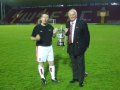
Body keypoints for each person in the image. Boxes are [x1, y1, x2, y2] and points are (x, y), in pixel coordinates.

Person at [31, 13, 58, 85]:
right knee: (41, 63)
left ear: (48, 19)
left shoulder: (50, 26)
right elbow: (31, 37)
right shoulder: (37, 27)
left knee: (51, 63)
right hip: (41, 48)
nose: (45, 19)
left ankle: (53, 78)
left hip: (49, 47)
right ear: (41, 18)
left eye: (47, 17)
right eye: (44, 17)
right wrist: (36, 38)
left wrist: (54, 33)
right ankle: (43, 78)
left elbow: (53, 36)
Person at [65, 9, 90, 87]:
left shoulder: (82, 23)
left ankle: (81, 80)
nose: (72, 16)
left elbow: (87, 35)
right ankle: (75, 78)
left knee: (80, 64)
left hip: (79, 47)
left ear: (76, 15)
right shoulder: (67, 23)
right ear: (68, 15)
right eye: (70, 14)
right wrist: (66, 33)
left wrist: (86, 46)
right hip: (71, 46)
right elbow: (69, 34)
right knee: (73, 63)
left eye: (73, 14)